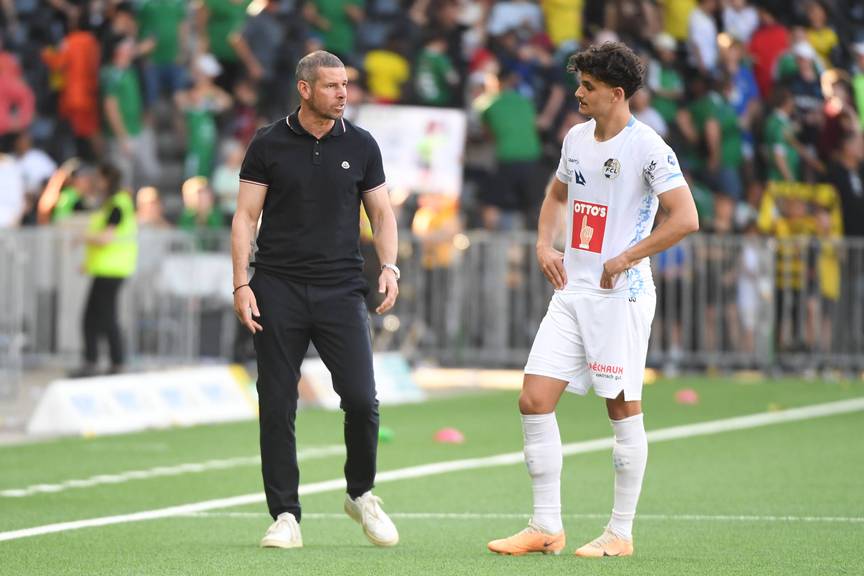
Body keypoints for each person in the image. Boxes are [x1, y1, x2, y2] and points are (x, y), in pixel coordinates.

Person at [487, 42, 698, 558]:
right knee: (534, 400)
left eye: (587, 86)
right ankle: (545, 526)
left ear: (616, 93)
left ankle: (620, 533)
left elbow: (686, 217)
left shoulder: (648, 146)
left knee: (622, 408)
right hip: (572, 291)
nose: (578, 93)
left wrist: (626, 257)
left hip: (619, 295)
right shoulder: (576, 138)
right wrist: (544, 243)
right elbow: (557, 195)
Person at [231, 50, 400, 550]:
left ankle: (361, 494)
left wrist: (389, 266)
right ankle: (285, 515)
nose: (343, 94)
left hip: (341, 289)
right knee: (277, 404)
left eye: (345, 85)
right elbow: (245, 218)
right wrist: (241, 283)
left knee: (363, 401)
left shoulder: (363, 145)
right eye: (331, 86)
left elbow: (383, 215)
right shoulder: (268, 143)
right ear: (304, 89)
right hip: (276, 287)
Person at [70, 163, 138, 377]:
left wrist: (82, 237)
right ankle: (108, 362)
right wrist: (88, 264)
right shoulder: (113, 204)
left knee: (102, 318)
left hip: (112, 270)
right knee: (98, 317)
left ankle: (106, 362)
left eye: (98, 177)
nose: (95, 182)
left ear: (107, 179)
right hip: (106, 269)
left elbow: (106, 237)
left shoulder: (118, 204)